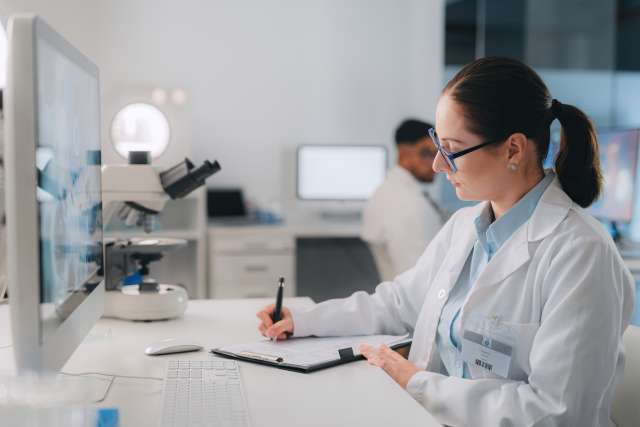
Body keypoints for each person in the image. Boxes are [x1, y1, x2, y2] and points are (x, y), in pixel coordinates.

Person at [256, 57, 636, 426]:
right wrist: (303, 320)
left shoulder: (580, 254)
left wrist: (414, 382)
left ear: (513, 150)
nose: (438, 165)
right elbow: (399, 303)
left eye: (451, 150)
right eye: (437, 144)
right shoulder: (465, 225)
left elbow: (557, 414)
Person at [362, 119, 445, 280]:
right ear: (405, 152)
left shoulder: (389, 191)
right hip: (418, 301)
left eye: (440, 154)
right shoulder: (407, 203)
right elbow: (418, 278)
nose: (437, 164)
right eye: (428, 154)